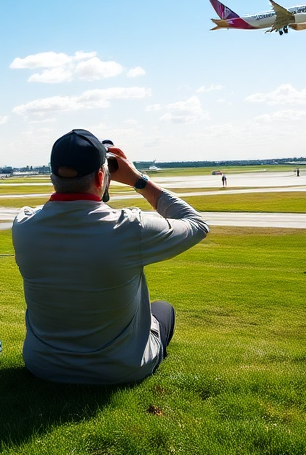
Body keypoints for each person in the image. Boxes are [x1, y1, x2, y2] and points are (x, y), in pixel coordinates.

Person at [12, 130, 208, 384]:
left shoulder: (24, 224)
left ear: (53, 178)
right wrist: (138, 180)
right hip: (119, 369)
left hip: (42, 365)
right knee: (162, 309)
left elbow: (65, 212)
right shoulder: (129, 227)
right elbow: (196, 224)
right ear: (102, 176)